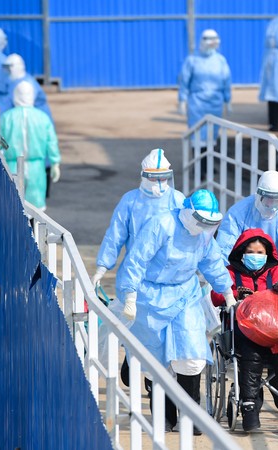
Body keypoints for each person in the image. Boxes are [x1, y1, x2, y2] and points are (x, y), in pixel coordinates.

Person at [120, 189, 235, 432]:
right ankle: (164, 412)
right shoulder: (160, 225)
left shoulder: (203, 235)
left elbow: (212, 262)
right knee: (156, 360)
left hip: (186, 294)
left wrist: (227, 291)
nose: (204, 226)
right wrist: (129, 293)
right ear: (187, 212)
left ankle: (191, 416)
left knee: (191, 356)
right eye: (201, 220)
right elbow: (137, 259)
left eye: (210, 222)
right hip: (151, 297)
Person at [92, 148, 184, 387]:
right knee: (140, 326)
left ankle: (151, 377)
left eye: (163, 177)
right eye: (154, 178)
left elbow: (190, 237)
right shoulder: (130, 201)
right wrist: (103, 266)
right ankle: (137, 367)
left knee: (161, 331)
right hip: (137, 277)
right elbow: (115, 235)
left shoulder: (177, 200)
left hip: (168, 277)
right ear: (143, 175)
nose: (159, 183)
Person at [211, 228, 278, 431]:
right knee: (251, 352)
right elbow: (216, 295)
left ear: (268, 254)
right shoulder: (231, 272)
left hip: (275, 331)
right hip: (245, 331)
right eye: (251, 252)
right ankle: (249, 407)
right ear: (241, 252)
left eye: (260, 252)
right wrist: (235, 295)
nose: (255, 257)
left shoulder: (277, 270)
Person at [215, 170, 278, 277]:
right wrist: (221, 278)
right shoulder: (238, 213)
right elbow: (224, 249)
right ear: (258, 195)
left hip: (276, 275)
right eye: (268, 200)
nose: (273, 206)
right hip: (242, 274)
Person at [0, 80, 60, 211]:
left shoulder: (6, 118)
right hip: (36, 168)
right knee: (36, 210)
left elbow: (0, 142)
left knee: (12, 208)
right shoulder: (42, 117)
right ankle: (35, 231)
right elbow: (51, 141)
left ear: (15, 95)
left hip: (12, 166)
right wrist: (55, 162)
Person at [178, 29, 232, 144]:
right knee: (197, 134)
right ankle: (198, 160)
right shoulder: (192, 60)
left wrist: (228, 100)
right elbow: (184, 81)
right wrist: (182, 101)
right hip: (197, 103)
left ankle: (209, 161)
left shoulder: (220, 60)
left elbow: (226, 81)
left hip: (216, 102)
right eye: (208, 39)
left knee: (212, 134)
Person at [2, 53, 53, 122]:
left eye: (9, 68)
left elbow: (26, 104)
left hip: (36, 119)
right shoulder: (14, 81)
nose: (7, 71)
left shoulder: (27, 83)